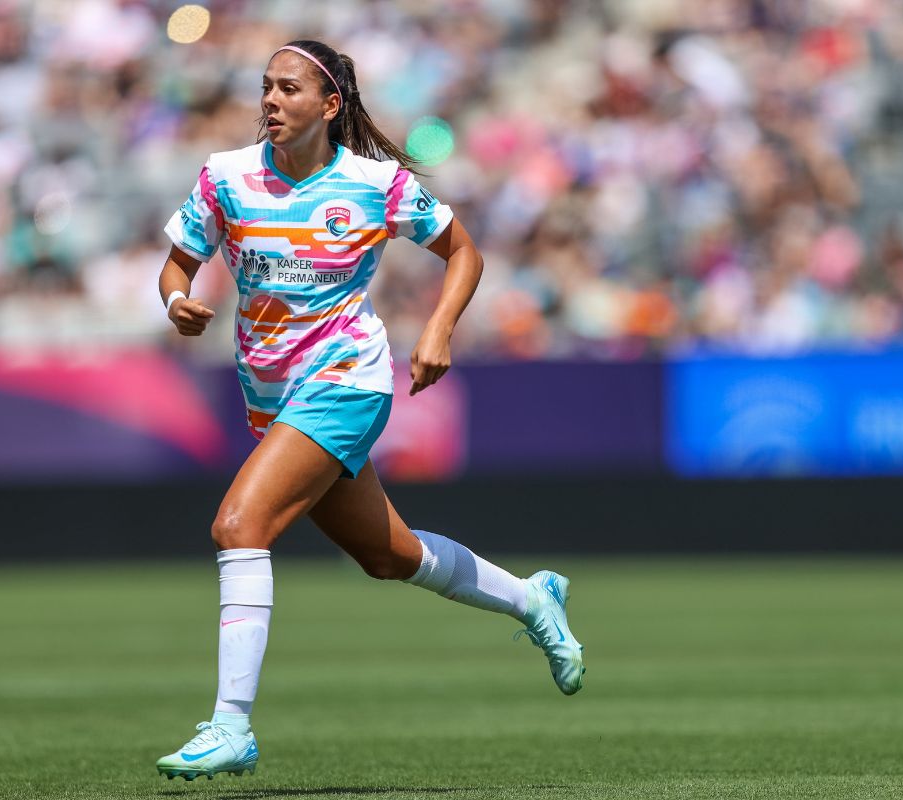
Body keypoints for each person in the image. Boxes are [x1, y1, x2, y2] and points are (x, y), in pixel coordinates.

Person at [153, 40, 585, 782]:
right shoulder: (225, 177)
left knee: (239, 525)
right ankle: (531, 598)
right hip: (270, 396)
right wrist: (175, 302)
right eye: (265, 88)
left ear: (329, 106)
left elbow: (464, 253)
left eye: (288, 89)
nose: (270, 101)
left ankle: (230, 726)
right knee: (388, 555)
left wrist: (439, 330)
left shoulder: (373, 185)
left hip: (348, 380)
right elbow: (179, 262)